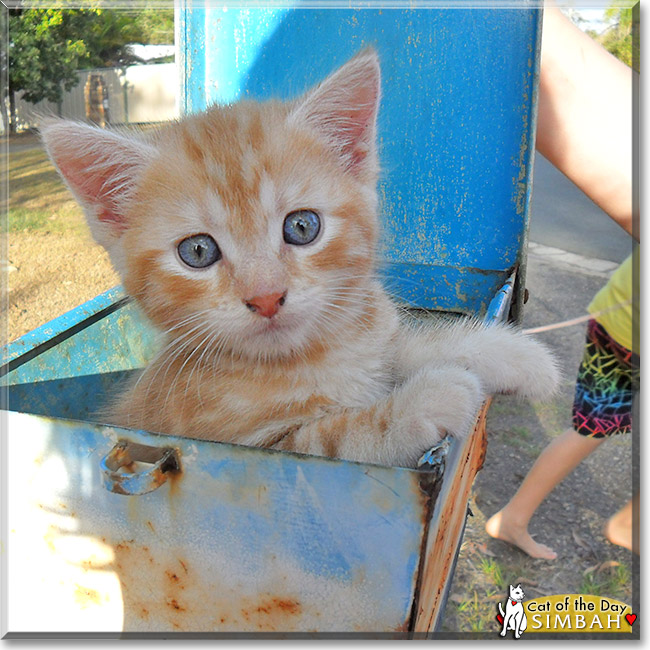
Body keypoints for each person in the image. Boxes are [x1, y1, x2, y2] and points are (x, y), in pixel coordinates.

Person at [485, 3, 639, 560]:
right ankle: (523, 519)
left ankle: (620, 522)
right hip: (623, 329)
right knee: (591, 426)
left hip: (615, 318)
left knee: (593, 427)